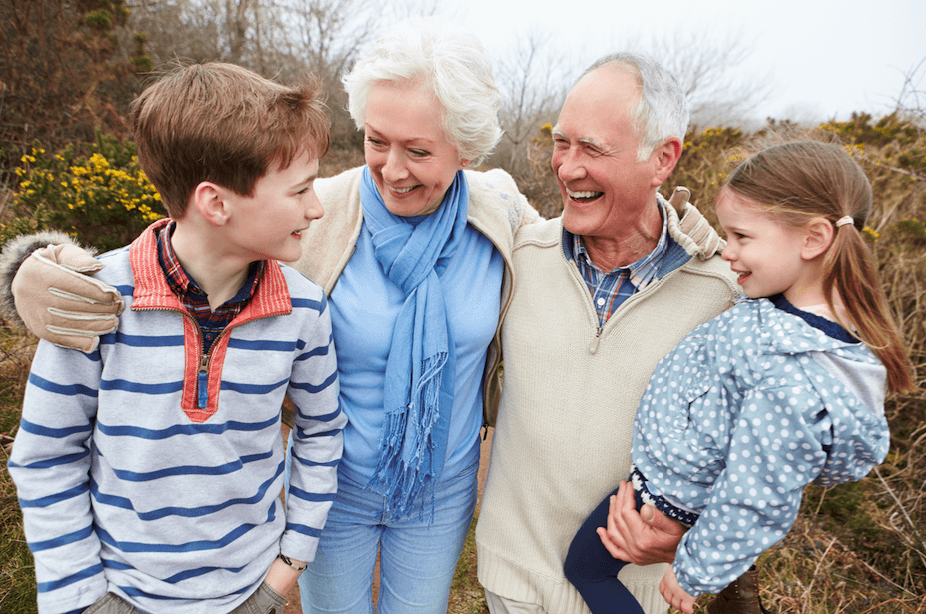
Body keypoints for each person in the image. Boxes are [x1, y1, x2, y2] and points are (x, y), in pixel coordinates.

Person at [0, 18, 547, 614]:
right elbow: (203, 230)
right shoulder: (318, 209)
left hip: (440, 486)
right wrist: (27, 269)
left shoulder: (499, 213)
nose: (390, 169)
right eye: (375, 140)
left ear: (464, 150)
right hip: (339, 492)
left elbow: (583, 255)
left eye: (418, 151)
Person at [6, 62, 346, 614]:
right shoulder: (92, 302)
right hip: (119, 596)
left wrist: (287, 570)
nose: (316, 207)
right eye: (301, 189)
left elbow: (323, 431)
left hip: (251, 593)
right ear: (216, 203)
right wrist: (80, 597)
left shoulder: (303, 308)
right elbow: (46, 456)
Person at [564, 140, 914, 614]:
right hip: (669, 477)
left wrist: (696, 569)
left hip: (669, 493)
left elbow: (757, 491)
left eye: (743, 238)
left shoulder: (792, 374)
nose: (729, 251)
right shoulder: (787, 311)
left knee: (585, 569)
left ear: (813, 239)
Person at [474, 52, 740, 614]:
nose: (567, 168)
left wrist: (692, 532)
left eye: (592, 149)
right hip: (513, 582)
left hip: (636, 597)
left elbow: (758, 456)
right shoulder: (518, 256)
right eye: (561, 142)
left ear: (663, 158)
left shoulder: (723, 296)